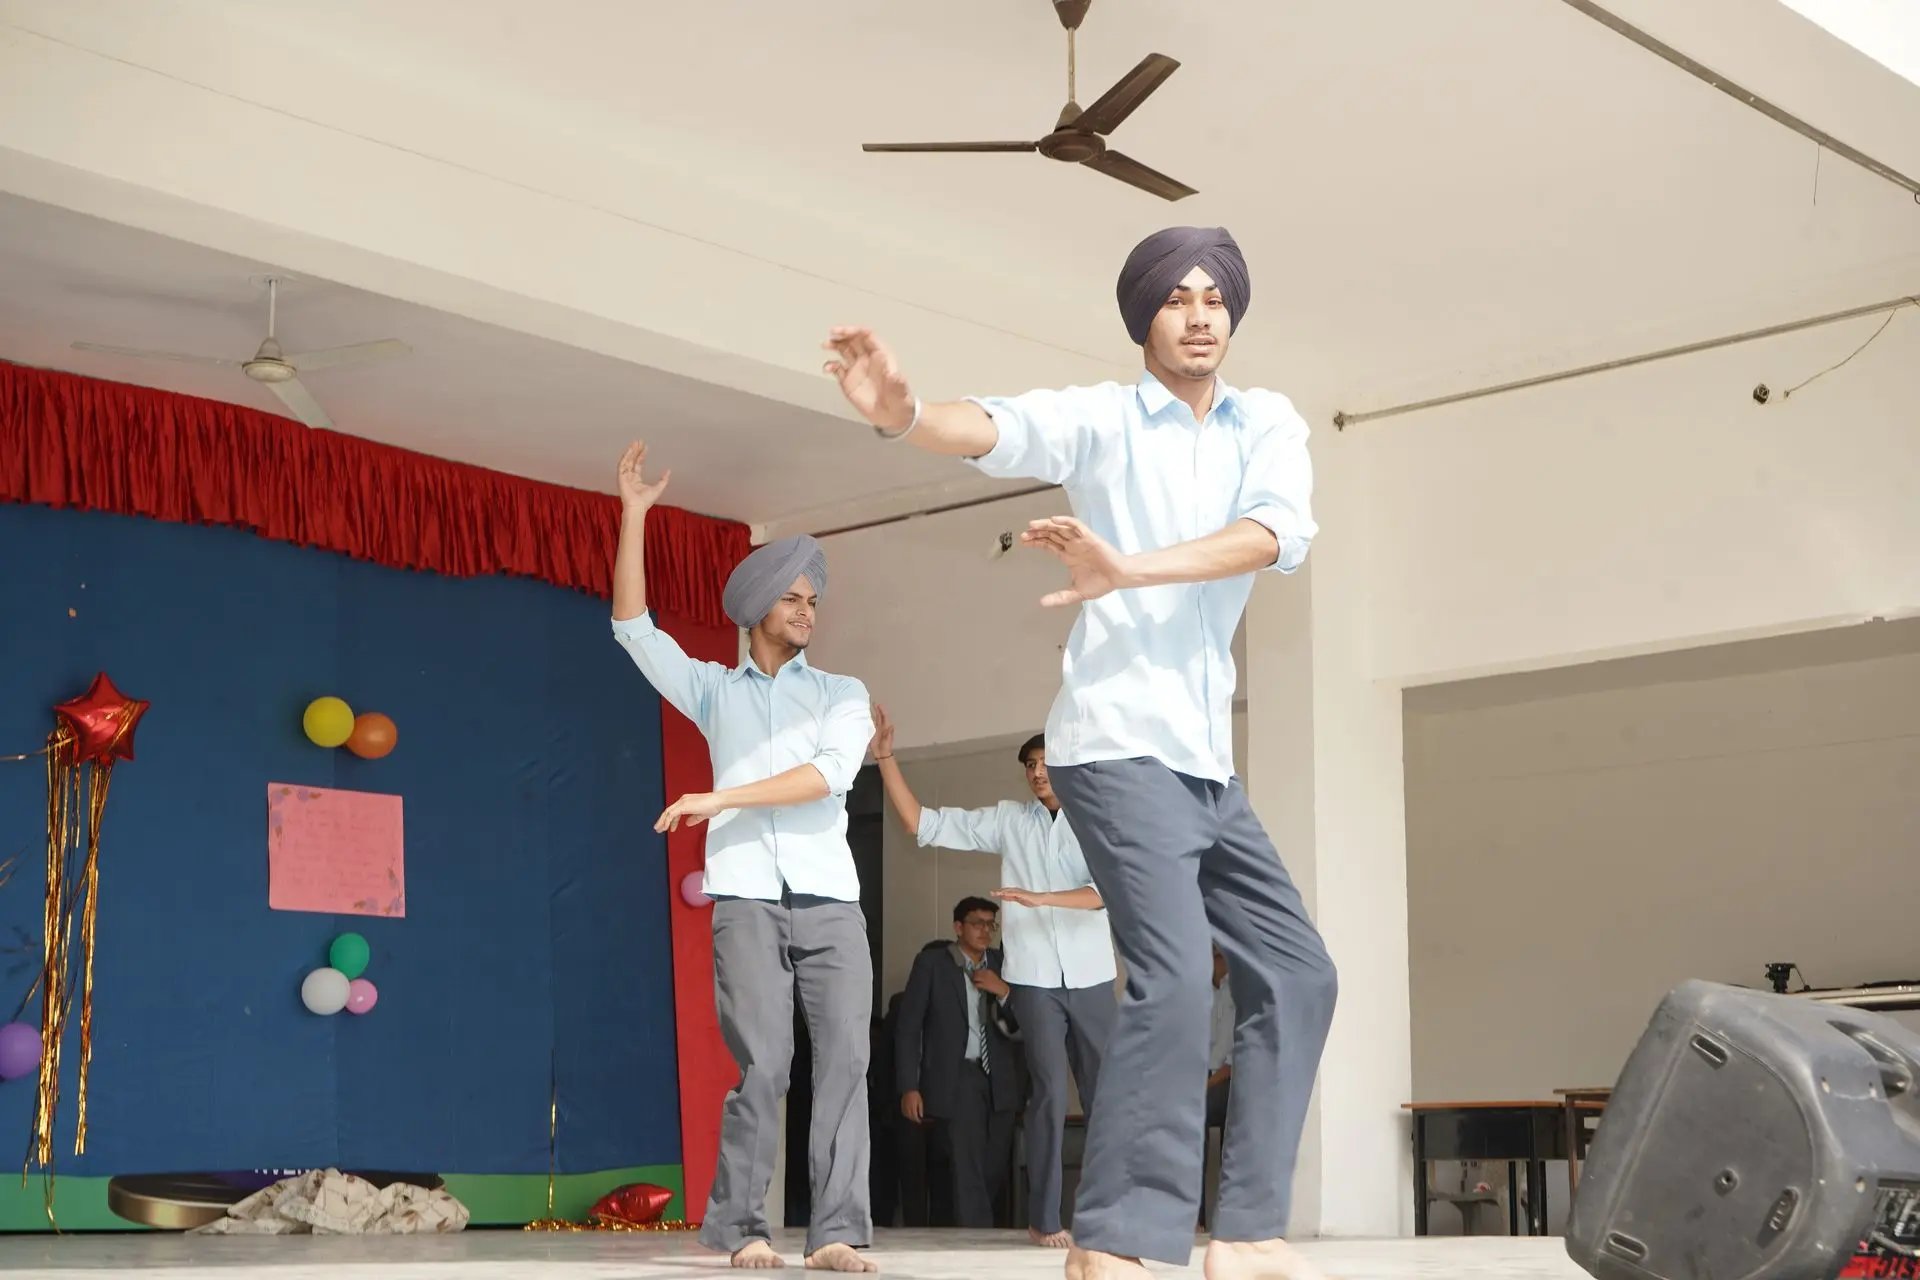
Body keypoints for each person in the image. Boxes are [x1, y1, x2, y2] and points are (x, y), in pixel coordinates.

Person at [821, 226, 1340, 1280]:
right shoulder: (1104, 418)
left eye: (1214, 297)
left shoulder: (1270, 423)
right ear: (1144, 317)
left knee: (1298, 971)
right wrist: (905, 415)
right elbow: (996, 427)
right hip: (1112, 746)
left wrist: (1130, 569)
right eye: (1176, 298)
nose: (1199, 314)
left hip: (1204, 764)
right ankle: (1115, 1236)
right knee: (1174, 977)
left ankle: (1244, 1229)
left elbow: (1272, 534)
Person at [608, 441, 877, 1274]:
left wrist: (717, 798)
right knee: (765, 1064)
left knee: (847, 1063)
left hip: (831, 900)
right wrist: (635, 515)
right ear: (756, 608)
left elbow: (828, 776)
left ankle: (836, 1234)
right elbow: (632, 629)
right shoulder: (713, 691)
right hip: (747, 899)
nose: (806, 611)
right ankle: (742, 1228)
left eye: (812, 600)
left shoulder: (842, 694)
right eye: (791, 599)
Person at [870, 708, 1115, 1248]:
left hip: (1093, 977)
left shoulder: (1097, 818)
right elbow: (923, 824)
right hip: (1035, 981)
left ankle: (1106, 1217)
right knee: (1049, 1094)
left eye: (1046, 762)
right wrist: (886, 759)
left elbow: (1103, 895)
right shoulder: (1010, 820)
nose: (1037, 772)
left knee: (1106, 1098)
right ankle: (1045, 1220)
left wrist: (1040, 899)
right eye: (1030, 764)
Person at [894, 897, 1024, 1229]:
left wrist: (1004, 991)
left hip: (1000, 1080)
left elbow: (1029, 1022)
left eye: (991, 924)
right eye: (977, 923)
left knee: (991, 1166)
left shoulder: (1004, 964)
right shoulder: (933, 964)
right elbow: (909, 1027)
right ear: (958, 927)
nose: (985, 931)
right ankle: (977, 1241)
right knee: (968, 1167)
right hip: (957, 1077)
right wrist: (909, 1086)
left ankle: (967, 1231)